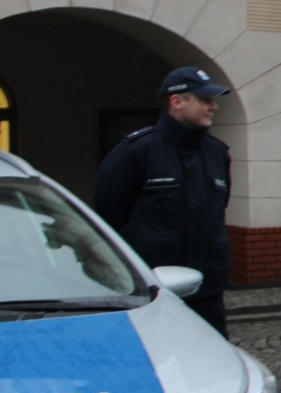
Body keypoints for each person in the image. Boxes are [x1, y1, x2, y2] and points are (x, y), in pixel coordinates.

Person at [93, 67, 233, 335]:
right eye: (205, 100)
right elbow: (108, 217)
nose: (213, 106)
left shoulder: (217, 153)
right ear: (177, 101)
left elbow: (217, 210)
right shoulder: (135, 152)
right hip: (154, 293)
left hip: (208, 293)